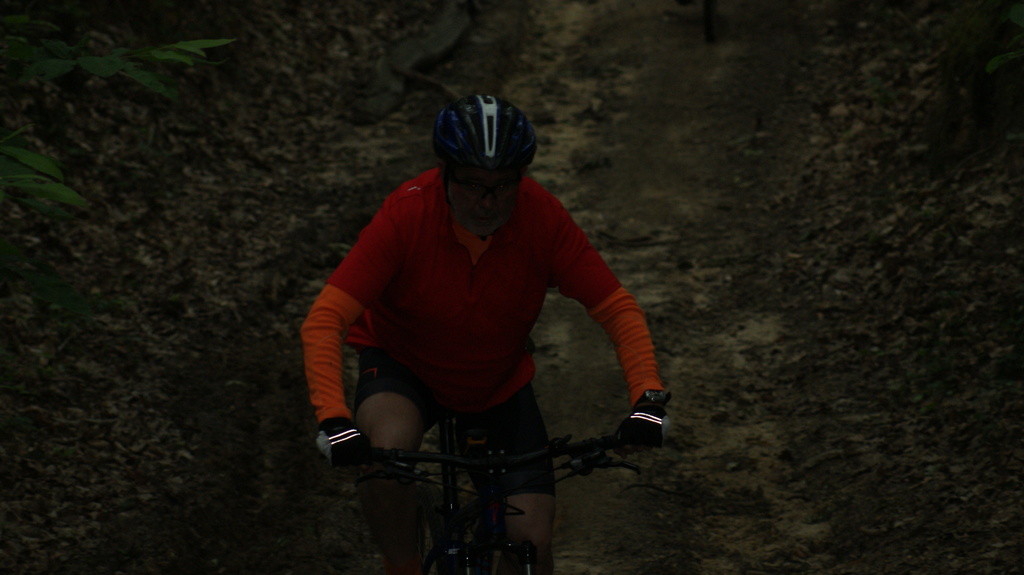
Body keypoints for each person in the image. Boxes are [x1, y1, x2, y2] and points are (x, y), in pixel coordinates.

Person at [301, 94, 669, 575]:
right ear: (444, 172)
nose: (486, 202)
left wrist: (647, 400)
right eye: (472, 184)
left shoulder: (542, 218)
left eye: (503, 186)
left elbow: (617, 309)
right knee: (387, 460)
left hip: (497, 380)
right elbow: (326, 318)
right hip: (404, 366)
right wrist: (334, 420)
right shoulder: (406, 216)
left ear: (522, 177)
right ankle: (402, 566)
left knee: (531, 544)